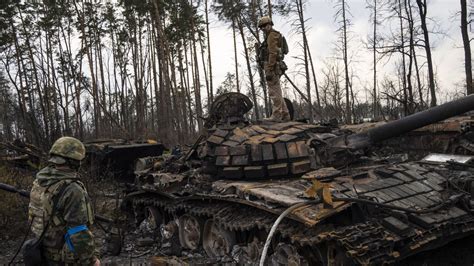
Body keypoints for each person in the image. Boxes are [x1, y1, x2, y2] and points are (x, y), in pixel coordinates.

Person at [28, 137, 100, 265]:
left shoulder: (40, 181)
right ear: (75, 162)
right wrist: (91, 261)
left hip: (42, 251)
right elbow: (77, 232)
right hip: (63, 258)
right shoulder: (72, 189)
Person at [258, 16, 291, 121]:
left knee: (273, 92)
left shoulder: (272, 36)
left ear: (270, 25)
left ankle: (276, 115)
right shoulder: (273, 35)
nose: (263, 28)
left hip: (271, 65)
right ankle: (285, 115)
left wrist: (270, 68)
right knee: (277, 90)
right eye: (261, 27)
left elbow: (272, 53)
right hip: (273, 65)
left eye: (265, 26)